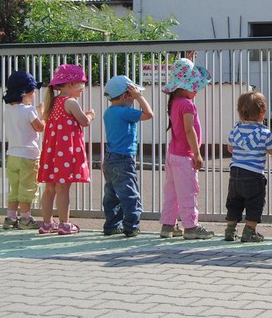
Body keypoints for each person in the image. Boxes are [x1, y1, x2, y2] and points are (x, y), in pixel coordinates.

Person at [37, 64, 95, 235]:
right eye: (81, 86)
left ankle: (46, 224)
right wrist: (91, 115)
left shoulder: (53, 102)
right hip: (65, 153)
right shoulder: (70, 102)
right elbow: (84, 121)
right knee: (63, 189)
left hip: (52, 153)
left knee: (49, 189)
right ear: (71, 84)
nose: (82, 90)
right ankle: (64, 224)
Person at [160, 58, 215, 239]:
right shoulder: (187, 104)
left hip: (173, 154)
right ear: (185, 85)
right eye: (195, 86)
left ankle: (168, 226)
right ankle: (191, 227)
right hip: (185, 156)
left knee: (172, 192)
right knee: (188, 191)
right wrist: (197, 154)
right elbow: (189, 130)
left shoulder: (175, 102)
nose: (197, 90)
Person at [102, 75, 154, 238]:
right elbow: (149, 114)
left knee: (111, 194)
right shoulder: (125, 112)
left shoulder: (108, 112)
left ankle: (111, 225)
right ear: (125, 96)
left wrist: (135, 95)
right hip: (123, 159)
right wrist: (140, 97)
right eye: (132, 96)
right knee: (130, 194)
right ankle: (131, 226)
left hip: (109, 158)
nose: (134, 99)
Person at [224, 91, 272, 243]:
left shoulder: (235, 129)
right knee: (255, 203)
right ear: (263, 112)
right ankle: (249, 231)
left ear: (239, 112)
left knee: (234, 202)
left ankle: (230, 230)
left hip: (235, 173)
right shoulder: (264, 132)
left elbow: (230, 148)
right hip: (254, 174)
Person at [2, 71, 45, 230]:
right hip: (28, 155)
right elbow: (40, 127)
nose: (34, 94)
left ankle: (10, 218)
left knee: (15, 187)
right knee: (27, 187)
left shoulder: (8, 109)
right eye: (33, 90)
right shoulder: (29, 110)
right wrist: (42, 114)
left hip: (12, 155)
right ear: (25, 92)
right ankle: (25, 219)